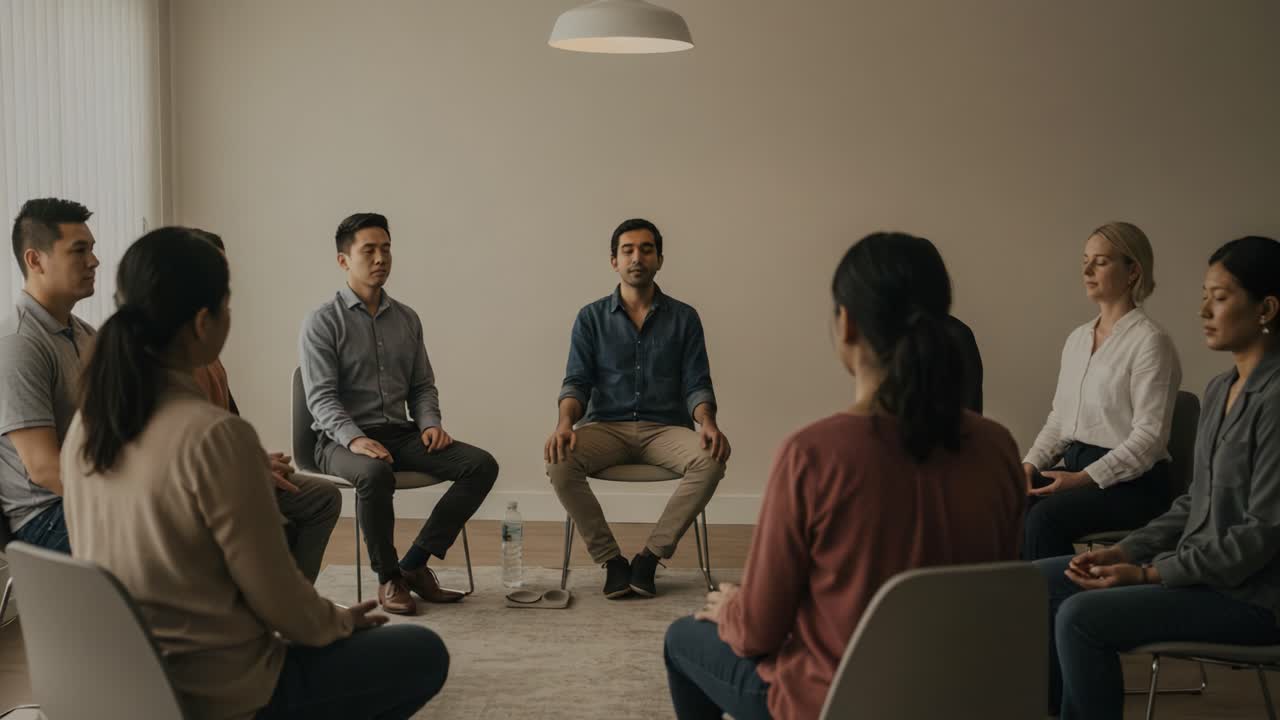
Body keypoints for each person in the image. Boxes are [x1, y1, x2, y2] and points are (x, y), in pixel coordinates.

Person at [61, 227, 448, 720]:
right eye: (227, 304)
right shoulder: (214, 436)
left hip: (126, 687)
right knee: (422, 652)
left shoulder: (87, 429)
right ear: (203, 322)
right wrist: (335, 623)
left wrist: (318, 622)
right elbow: (281, 602)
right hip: (221, 693)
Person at [663, 232, 1025, 720]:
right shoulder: (999, 448)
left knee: (684, 638)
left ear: (847, 323)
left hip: (834, 703)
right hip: (959, 701)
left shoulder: (813, 455)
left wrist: (731, 606)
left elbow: (758, 633)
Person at [1037, 235, 1280, 720]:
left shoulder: (1275, 401)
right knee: (1043, 583)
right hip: (1197, 575)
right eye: (1204, 296)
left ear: (1266, 308)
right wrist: (1124, 550)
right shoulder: (1219, 390)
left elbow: (1263, 534)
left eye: (1221, 296)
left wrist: (1150, 573)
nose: (1204, 310)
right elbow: (1193, 502)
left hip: (1251, 598)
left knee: (1079, 618)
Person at [300, 212, 498, 615]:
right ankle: (388, 576)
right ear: (343, 261)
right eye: (368, 250)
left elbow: (422, 386)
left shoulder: (407, 319)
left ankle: (413, 565)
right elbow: (320, 398)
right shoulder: (322, 322)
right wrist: (355, 438)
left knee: (481, 465)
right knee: (375, 474)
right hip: (337, 441)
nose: (380, 258)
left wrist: (430, 425)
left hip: (399, 433)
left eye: (386, 249)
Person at [545, 218, 730, 599]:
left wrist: (708, 423)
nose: (637, 257)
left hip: (665, 429)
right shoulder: (591, 318)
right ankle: (612, 561)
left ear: (659, 259)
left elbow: (697, 383)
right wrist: (564, 423)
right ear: (614, 261)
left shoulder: (684, 318)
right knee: (559, 460)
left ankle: (649, 557)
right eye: (627, 250)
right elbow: (576, 382)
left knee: (710, 458)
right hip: (606, 428)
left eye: (646, 249)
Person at [185, 229, 340, 584]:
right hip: (202, 490)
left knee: (321, 497)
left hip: (227, 471)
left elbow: (226, 427)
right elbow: (183, 456)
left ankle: (294, 606)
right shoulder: (166, 355)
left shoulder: (206, 346)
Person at [1022, 222, 1182, 560]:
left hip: (1134, 485)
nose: (1087, 269)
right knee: (1011, 500)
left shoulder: (1150, 341)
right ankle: (1021, 605)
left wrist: (1083, 479)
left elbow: (1150, 440)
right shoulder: (1078, 338)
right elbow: (1060, 419)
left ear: (1133, 271)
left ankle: (1059, 608)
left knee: (1044, 519)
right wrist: (1029, 464)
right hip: (1079, 468)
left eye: (1101, 261)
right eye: (1085, 260)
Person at [0, 198, 97, 552]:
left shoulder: (86, 335)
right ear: (35, 259)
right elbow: (44, 469)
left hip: (86, 495)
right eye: (79, 250)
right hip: (48, 516)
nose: (94, 261)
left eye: (92, 249)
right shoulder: (17, 344)